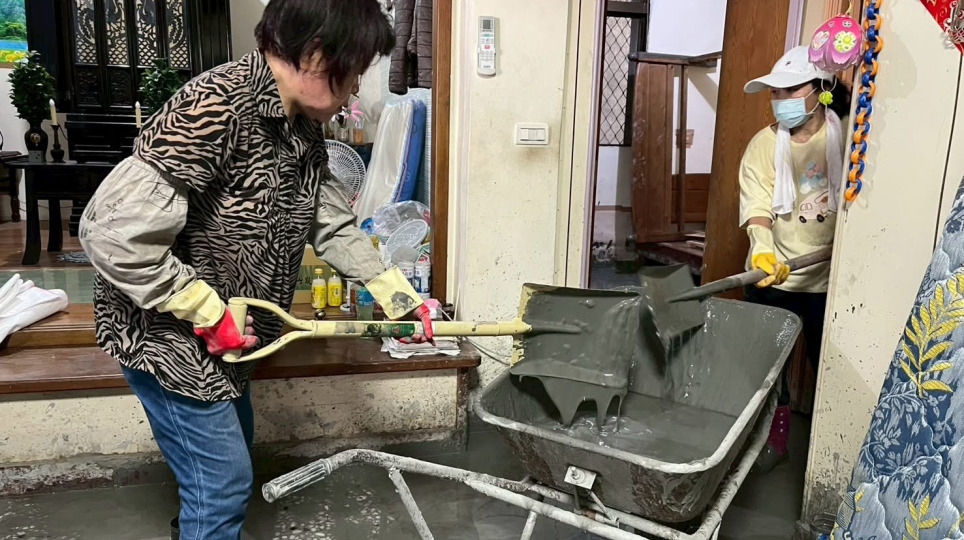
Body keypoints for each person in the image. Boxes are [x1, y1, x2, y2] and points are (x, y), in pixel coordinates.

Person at [78, 1, 432, 538]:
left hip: (231, 338)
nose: (355, 90)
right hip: (169, 338)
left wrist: (397, 296)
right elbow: (111, 234)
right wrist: (206, 310)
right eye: (354, 71)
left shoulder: (301, 129)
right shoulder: (213, 106)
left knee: (225, 464)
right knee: (222, 484)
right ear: (316, 55)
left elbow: (331, 223)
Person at [738, 45, 850, 473]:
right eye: (775, 92)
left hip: (831, 283)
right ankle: (776, 441)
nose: (780, 100)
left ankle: (833, 455)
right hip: (774, 277)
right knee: (771, 373)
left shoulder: (849, 136)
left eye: (791, 90)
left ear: (820, 89)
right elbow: (757, 204)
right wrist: (762, 248)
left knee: (832, 373)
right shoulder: (763, 145)